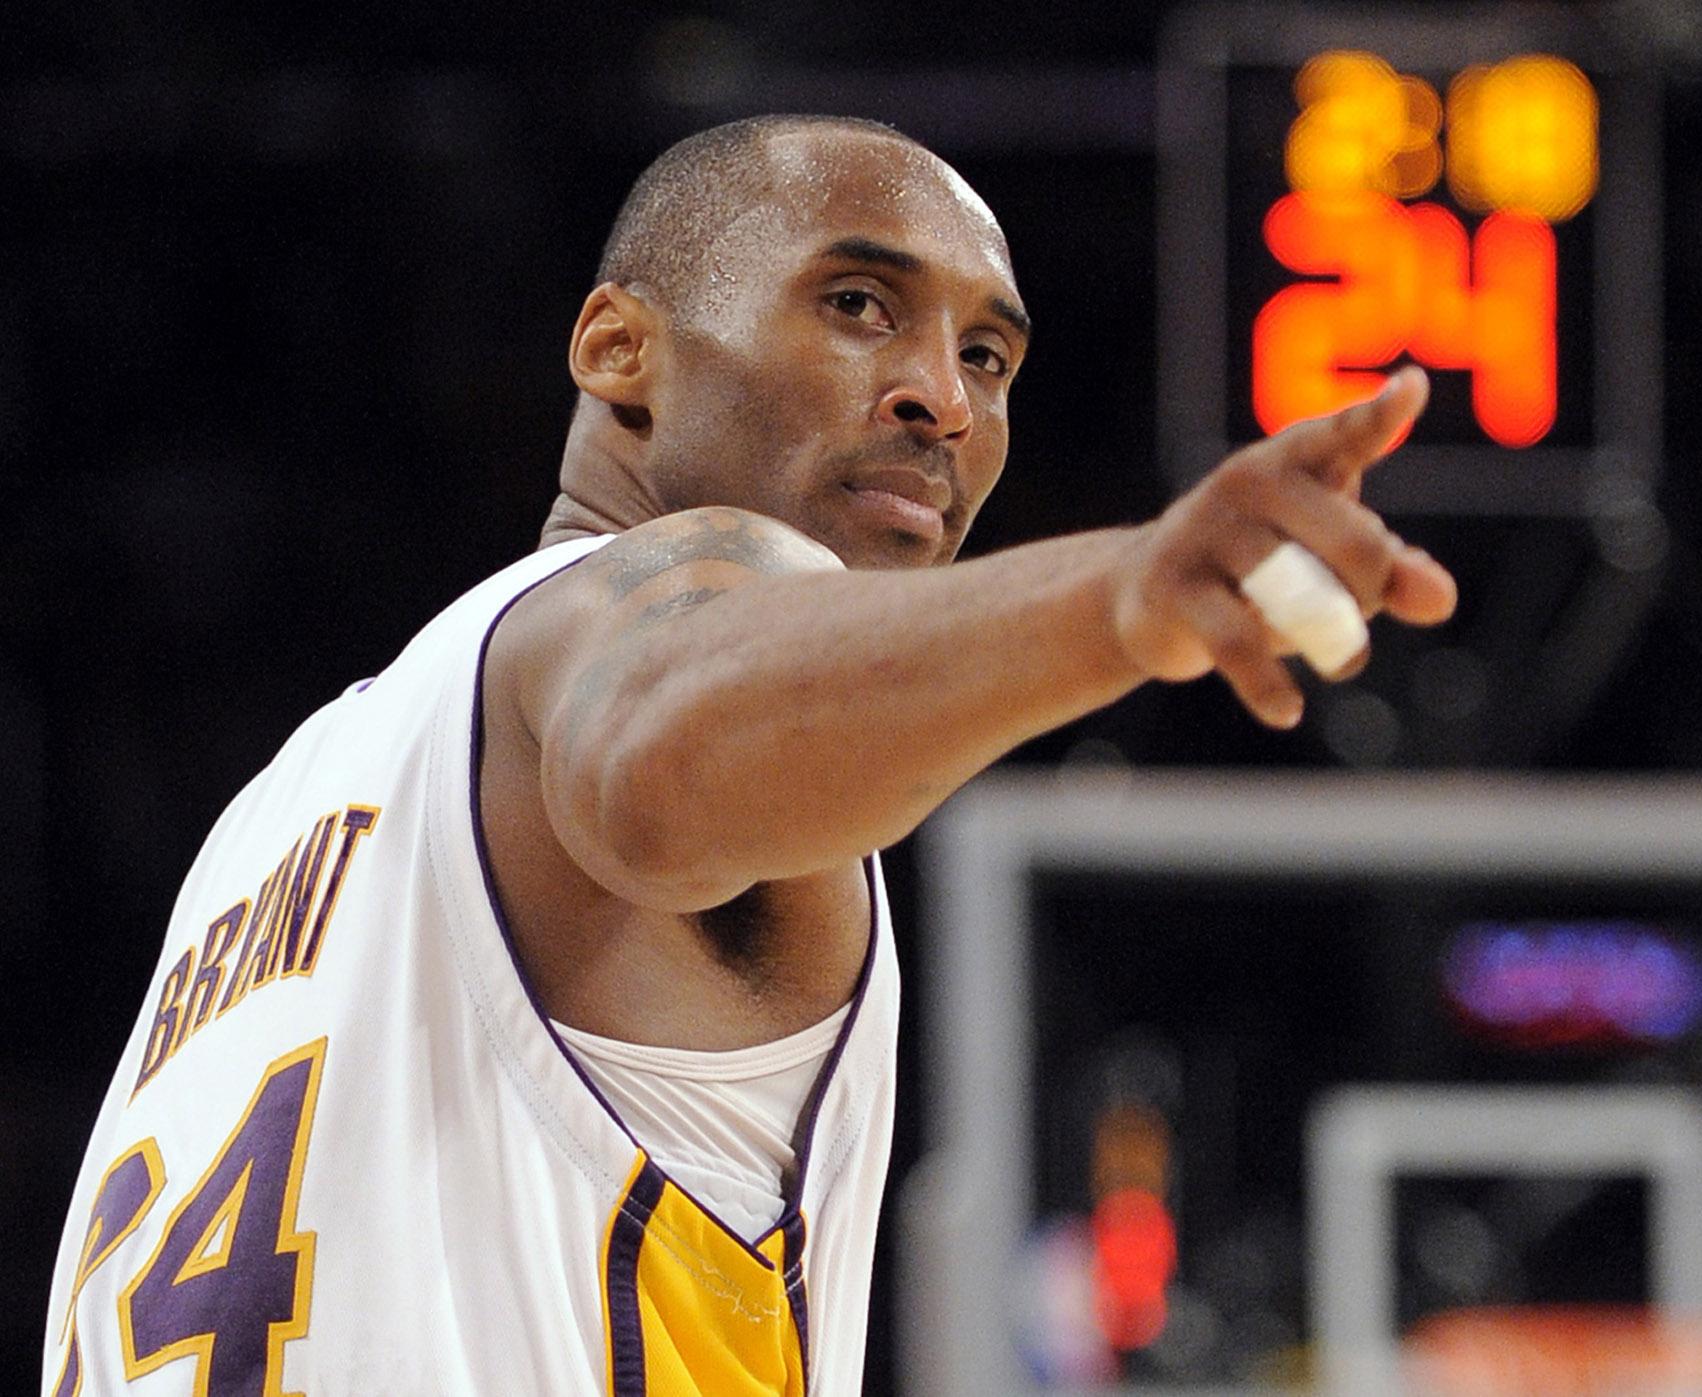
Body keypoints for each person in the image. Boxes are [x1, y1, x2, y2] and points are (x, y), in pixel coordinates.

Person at [42, 114, 1455, 1395]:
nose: (943, 400)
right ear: (619, 350)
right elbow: (654, 736)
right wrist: (1119, 601)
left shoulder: (281, 810)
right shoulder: (629, 620)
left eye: (987, 356)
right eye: (858, 305)